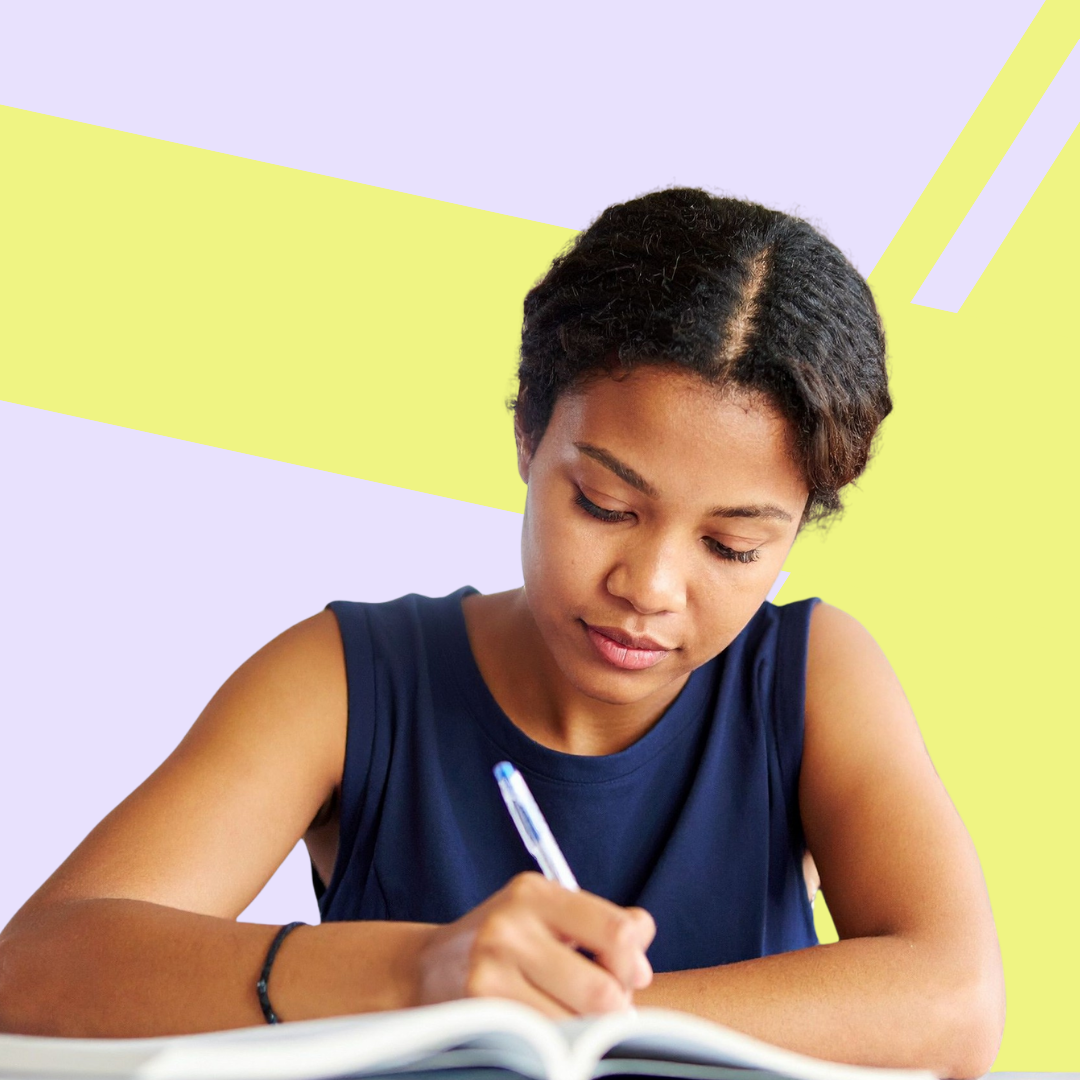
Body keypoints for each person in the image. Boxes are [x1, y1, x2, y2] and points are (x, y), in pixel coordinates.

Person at [0, 188, 1004, 1077]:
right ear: (529, 435)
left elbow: (957, 1004)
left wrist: (586, 1016)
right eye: (606, 504)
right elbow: (37, 969)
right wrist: (421, 971)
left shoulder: (813, 675)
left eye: (734, 549)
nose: (648, 588)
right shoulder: (349, 680)